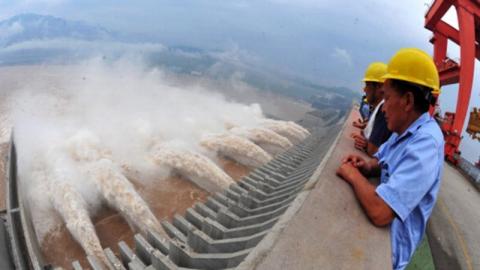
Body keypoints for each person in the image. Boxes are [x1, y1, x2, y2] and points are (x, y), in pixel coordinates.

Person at [336, 48, 444, 270]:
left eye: (386, 98)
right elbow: (381, 160)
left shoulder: (426, 145)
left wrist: (353, 175)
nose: (383, 108)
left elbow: (381, 212)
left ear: (407, 100)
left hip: (389, 253)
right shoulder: (404, 131)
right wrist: (366, 166)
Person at [352, 62, 392, 156]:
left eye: (367, 85)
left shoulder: (383, 110)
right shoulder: (379, 108)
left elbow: (373, 150)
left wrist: (367, 145)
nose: (364, 89)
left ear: (379, 87)